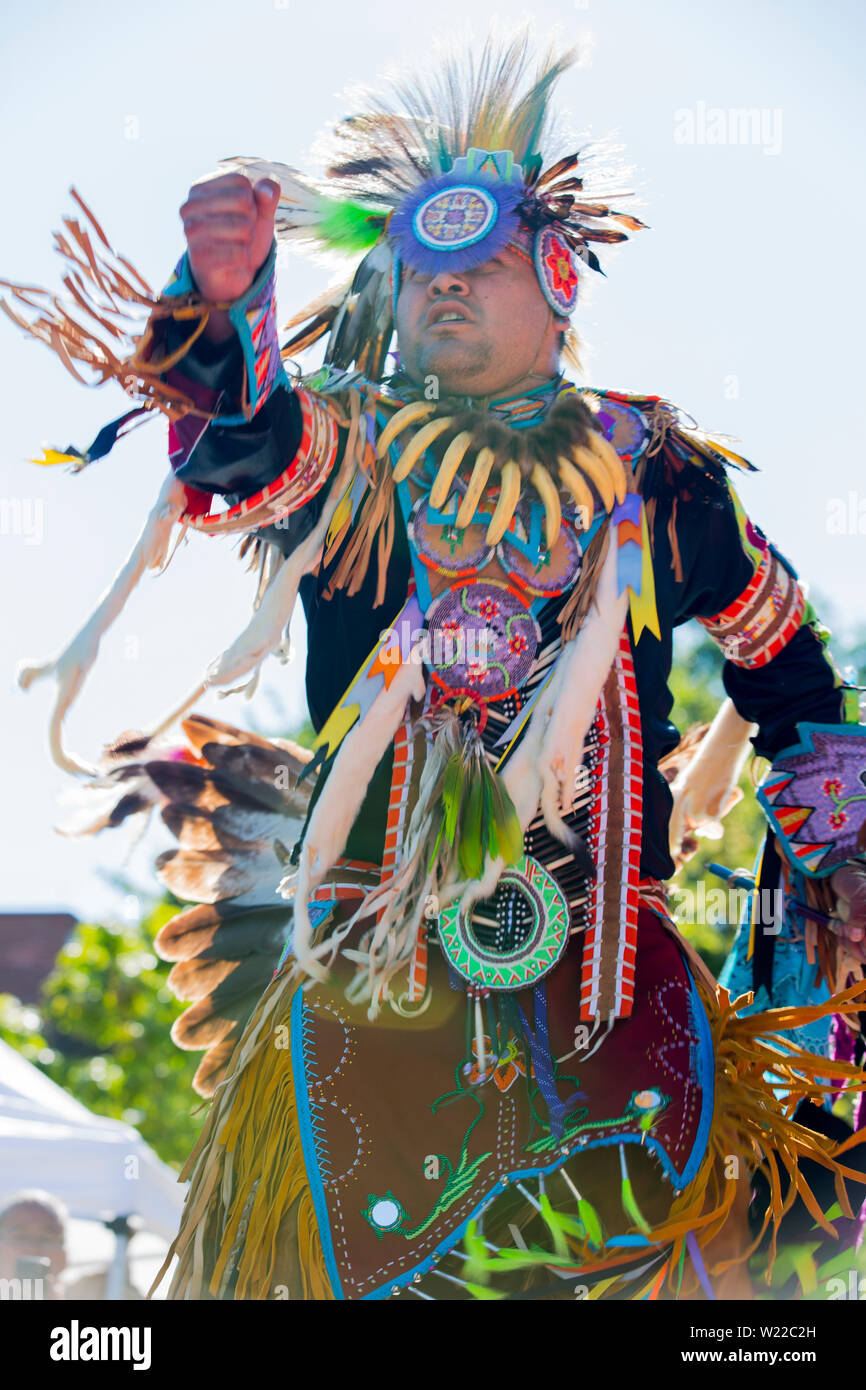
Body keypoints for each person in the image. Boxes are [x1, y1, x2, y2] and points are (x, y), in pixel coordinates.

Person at [6, 34, 866, 1302]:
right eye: (417, 272)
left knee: (661, 1214)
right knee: (405, 1259)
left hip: (605, 970)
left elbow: (782, 661)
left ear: (559, 279)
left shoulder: (659, 478)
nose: (444, 290)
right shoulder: (352, 459)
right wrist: (216, 300)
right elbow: (244, 451)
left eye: (484, 264)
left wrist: (837, 851)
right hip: (377, 968)